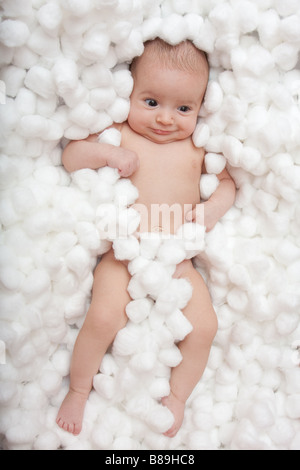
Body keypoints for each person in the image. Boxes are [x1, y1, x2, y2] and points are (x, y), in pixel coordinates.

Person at [56, 38, 236, 438]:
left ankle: (176, 398)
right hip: (125, 252)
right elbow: (72, 156)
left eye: (183, 108)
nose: (166, 119)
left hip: (177, 260)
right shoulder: (120, 132)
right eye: (151, 102)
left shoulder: (197, 148)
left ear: (200, 107)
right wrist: (109, 155)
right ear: (129, 94)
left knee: (204, 327)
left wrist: (211, 210)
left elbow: (227, 186)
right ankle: (79, 390)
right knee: (103, 316)